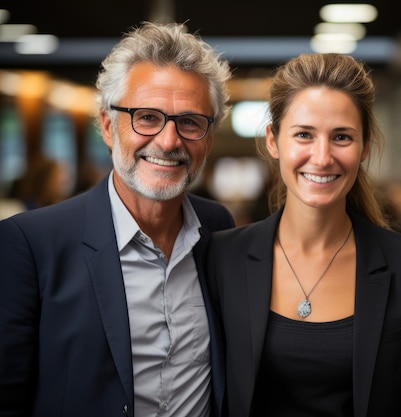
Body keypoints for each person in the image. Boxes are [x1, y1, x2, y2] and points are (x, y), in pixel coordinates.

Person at [0, 21, 234, 417]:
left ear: (209, 137)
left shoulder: (218, 229)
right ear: (108, 127)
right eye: (146, 117)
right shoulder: (29, 243)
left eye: (190, 122)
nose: (168, 141)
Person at [207, 52, 401, 417]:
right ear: (273, 140)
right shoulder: (222, 257)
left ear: (364, 146)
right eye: (303, 135)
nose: (323, 156)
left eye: (342, 137)